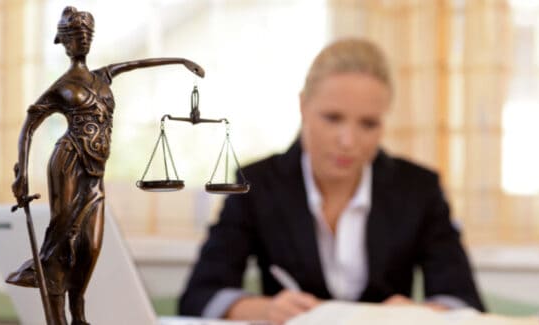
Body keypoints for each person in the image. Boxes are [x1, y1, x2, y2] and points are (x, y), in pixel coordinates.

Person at [179, 38, 484, 324]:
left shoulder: (418, 188)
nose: (348, 141)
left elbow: (463, 302)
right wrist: (268, 309)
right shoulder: (257, 184)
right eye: (333, 118)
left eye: (368, 124)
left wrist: (416, 314)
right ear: (302, 106)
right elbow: (199, 296)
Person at [8, 6, 204, 325]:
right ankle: (57, 314)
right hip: (68, 160)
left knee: (91, 243)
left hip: (97, 170)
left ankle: (79, 309)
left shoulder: (103, 75)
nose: (82, 40)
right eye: (75, 35)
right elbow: (30, 124)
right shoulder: (61, 86)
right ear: (63, 41)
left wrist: (180, 61)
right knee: (62, 236)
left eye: (87, 35)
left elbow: (139, 63)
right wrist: (22, 172)